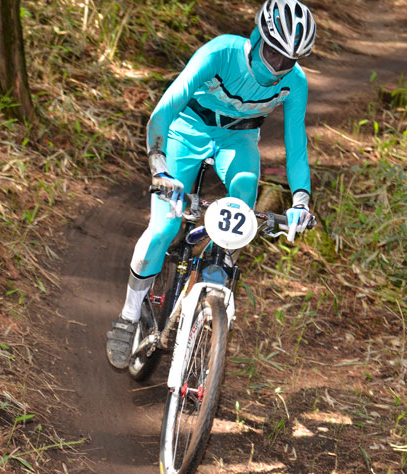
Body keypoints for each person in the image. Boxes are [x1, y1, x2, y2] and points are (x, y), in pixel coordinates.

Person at [106, 0, 317, 369]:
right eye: (273, 53)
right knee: (164, 227)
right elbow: (164, 110)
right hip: (186, 133)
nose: (278, 67)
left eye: (288, 61)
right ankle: (127, 318)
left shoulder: (295, 82)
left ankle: (215, 289)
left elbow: (296, 146)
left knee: (244, 204)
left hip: (238, 142)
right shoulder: (220, 52)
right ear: (258, 36)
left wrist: (301, 200)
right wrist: (160, 167)